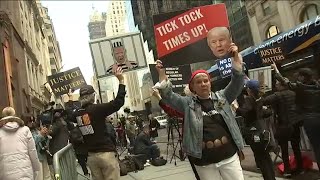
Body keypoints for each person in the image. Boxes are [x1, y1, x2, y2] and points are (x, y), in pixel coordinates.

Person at [155, 26, 245, 180]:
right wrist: (162, 74)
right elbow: (168, 96)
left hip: (229, 157)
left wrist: (236, 60)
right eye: (199, 82)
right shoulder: (187, 104)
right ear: (193, 87)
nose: (203, 84)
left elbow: (237, 82)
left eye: (205, 81)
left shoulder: (223, 97)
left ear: (210, 83)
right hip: (204, 162)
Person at [75, 67, 125, 180]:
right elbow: (118, 102)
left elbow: (69, 115)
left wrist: (69, 101)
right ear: (93, 96)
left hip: (92, 157)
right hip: (105, 154)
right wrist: (121, 81)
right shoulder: (97, 109)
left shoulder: (78, 114)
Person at [271, 62, 320, 170]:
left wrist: (275, 69)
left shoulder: (301, 87)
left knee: (317, 147)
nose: (297, 78)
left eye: (299, 76)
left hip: (310, 120)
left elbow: (285, 82)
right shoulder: (317, 86)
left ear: (303, 77)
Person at [234, 80, 276, 180]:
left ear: (248, 89)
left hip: (255, 133)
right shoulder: (260, 99)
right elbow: (268, 112)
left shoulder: (249, 99)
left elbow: (245, 112)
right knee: (266, 158)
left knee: (261, 159)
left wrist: (236, 108)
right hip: (263, 131)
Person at [262, 79, 303, 177]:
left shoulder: (278, 95)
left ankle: (287, 170)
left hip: (284, 125)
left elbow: (265, 101)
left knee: (284, 149)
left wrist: (262, 92)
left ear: (282, 85)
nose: (276, 86)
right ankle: (300, 168)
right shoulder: (293, 93)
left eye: (277, 84)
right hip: (295, 123)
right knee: (296, 147)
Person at [0, 107, 40, 180]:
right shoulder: (25, 130)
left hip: (5, 174)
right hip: (25, 172)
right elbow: (32, 151)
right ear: (14, 114)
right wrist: (36, 168)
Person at [25, 115, 52, 180]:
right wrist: (40, 135)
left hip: (42, 155)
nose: (32, 122)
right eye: (30, 121)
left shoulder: (35, 130)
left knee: (47, 176)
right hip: (36, 158)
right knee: (39, 177)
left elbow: (43, 141)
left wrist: (45, 135)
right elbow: (32, 143)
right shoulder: (25, 131)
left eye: (33, 120)